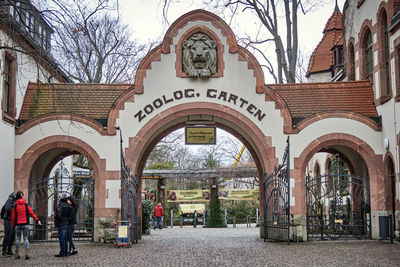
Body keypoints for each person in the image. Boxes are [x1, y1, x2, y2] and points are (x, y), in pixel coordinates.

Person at [11, 191, 41, 260]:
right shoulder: (26, 204)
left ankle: (17, 253)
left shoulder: (15, 205)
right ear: (22, 196)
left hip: (17, 224)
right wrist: (37, 220)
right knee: (26, 239)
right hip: (25, 224)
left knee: (17, 239)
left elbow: (12, 216)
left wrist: (13, 225)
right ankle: (27, 252)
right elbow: (32, 213)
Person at [2, 192, 16, 256]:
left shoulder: (14, 201)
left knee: (13, 236)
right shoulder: (10, 200)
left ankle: (9, 250)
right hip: (8, 220)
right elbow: (7, 208)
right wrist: (15, 210)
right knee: (8, 235)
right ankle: (4, 251)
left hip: (12, 220)